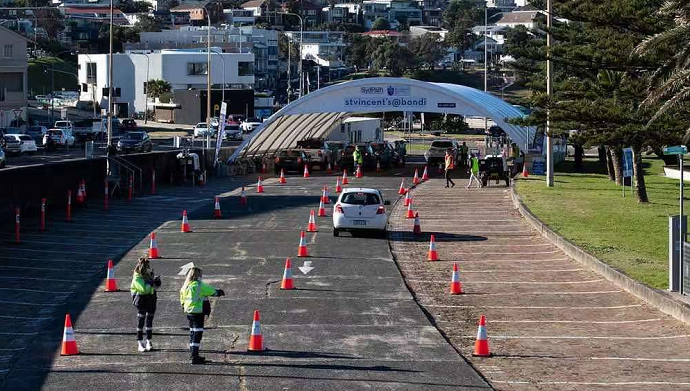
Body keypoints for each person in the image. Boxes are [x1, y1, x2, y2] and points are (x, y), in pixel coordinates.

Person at [179, 267, 224, 364]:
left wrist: (183, 305)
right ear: (198, 275)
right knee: (197, 334)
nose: (201, 277)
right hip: (198, 312)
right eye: (201, 275)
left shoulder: (186, 285)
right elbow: (212, 291)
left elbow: (182, 296)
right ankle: (195, 357)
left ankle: (193, 354)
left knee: (192, 333)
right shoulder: (198, 285)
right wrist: (219, 292)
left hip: (189, 312)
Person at [130, 257, 161, 352]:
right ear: (144, 268)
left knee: (149, 321)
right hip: (141, 301)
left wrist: (157, 283)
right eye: (148, 267)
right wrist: (151, 282)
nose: (150, 269)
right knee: (141, 321)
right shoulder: (137, 278)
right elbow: (144, 290)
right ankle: (140, 342)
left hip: (151, 299)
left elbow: (153, 289)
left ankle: (149, 341)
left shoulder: (148, 275)